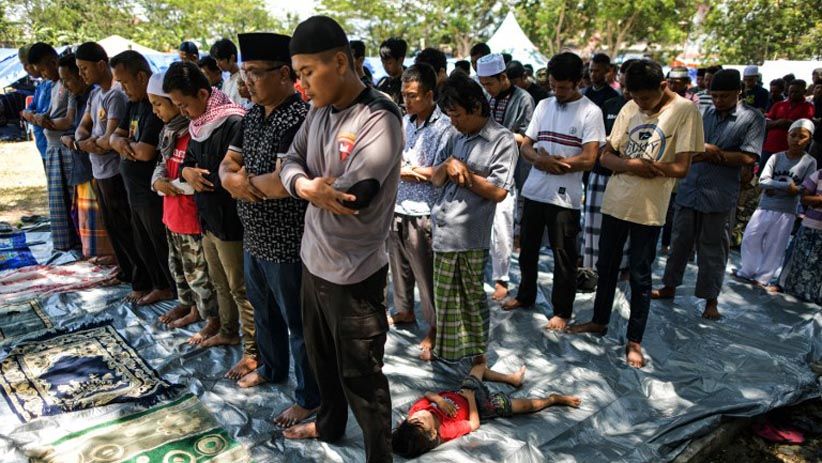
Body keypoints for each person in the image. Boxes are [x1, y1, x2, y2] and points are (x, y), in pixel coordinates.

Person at [278, 17, 402, 463]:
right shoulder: (317, 112)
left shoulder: (379, 117)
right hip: (314, 261)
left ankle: (378, 455)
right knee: (321, 360)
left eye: (308, 72)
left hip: (355, 273)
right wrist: (307, 187)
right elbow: (289, 160)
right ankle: (330, 425)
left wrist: (310, 187)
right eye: (297, 74)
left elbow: (355, 196)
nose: (302, 84)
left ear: (340, 61)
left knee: (363, 377)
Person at [567, 60, 704, 369]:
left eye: (645, 98)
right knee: (606, 264)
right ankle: (599, 320)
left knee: (641, 275)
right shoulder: (629, 108)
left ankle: (634, 340)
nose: (639, 103)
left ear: (664, 86)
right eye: (635, 96)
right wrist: (633, 166)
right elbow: (606, 156)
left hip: (649, 208)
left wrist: (646, 168)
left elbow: (682, 168)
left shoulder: (685, 112)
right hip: (616, 201)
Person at [218, 32, 321, 429]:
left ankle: (309, 398)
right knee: (263, 313)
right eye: (244, 73)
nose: (248, 82)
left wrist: (243, 184)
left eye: (256, 73)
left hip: (288, 242)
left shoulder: (297, 118)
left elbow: (283, 183)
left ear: (283, 74)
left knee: (299, 325)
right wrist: (232, 180)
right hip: (254, 236)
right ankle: (272, 368)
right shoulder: (251, 116)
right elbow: (228, 163)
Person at [164, 62, 257, 381]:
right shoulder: (197, 124)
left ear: (204, 93)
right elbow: (189, 163)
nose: (182, 111)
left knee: (240, 287)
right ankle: (228, 330)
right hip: (207, 218)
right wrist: (186, 172)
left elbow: (237, 172)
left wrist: (204, 175)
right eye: (177, 105)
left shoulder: (233, 121)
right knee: (219, 281)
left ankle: (253, 351)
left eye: (184, 104)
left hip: (230, 220)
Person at [501, 52, 604, 332]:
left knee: (563, 256)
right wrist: (539, 160)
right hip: (535, 190)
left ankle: (562, 310)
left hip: (564, 197)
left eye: (563, 87)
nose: (557, 91)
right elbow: (526, 146)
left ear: (578, 82)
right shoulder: (544, 105)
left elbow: (590, 158)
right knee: (527, 251)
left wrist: (557, 163)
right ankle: (525, 294)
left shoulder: (590, 112)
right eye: (553, 85)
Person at [652, 69, 765, 320]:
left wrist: (715, 154)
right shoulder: (701, 112)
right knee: (679, 242)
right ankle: (669, 285)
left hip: (720, 194)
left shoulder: (752, 118)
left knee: (713, 249)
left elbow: (749, 156)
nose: (718, 101)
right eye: (714, 95)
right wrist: (706, 150)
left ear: (739, 92)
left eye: (724, 96)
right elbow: (684, 144)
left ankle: (710, 300)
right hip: (690, 189)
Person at [428, 73, 517, 362]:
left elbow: (499, 192)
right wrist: (447, 164)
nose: (453, 121)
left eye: (457, 115)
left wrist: (464, 174)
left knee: (471, 300)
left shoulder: (501, 139)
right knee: (444, 300)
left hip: (470, 233)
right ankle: (448, 354)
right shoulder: (454, 135)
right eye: (449, 115)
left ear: (476, 107)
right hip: (443, 227)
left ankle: (478, 357)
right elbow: (436, 179)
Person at [386, 64, 454, 361]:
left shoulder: (445, 128)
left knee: (427, 277)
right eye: (404, 95)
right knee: (398, 270)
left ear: (429, 94)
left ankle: (435, 327)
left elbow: (438, 172)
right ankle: (404, 310)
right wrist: (409, 171)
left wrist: (406, 170)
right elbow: (392, 160)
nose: (407, 101)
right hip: (397, 205)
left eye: (413, 96)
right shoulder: (403, 122)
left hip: (424, 211)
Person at [147, 71, 219, 343]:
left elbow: (201, 176)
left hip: (190, 216)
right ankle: (189, 306)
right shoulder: (168, 132)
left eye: (159, 104)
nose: (155, 111)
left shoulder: (195, 130)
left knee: (199, 273)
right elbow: (161, 165)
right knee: (178, 267)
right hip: (171, 214)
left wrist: (172, 186)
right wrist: (157, 182)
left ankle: (211, 317)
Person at [75, 42, 148, 302]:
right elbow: (83, 129)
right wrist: (84, 142)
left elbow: (109, 141)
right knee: (114, 227)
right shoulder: (95, 95)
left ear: (100, 65)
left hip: (115, 172)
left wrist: (91, 143)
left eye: (84, 68)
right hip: (99, 170)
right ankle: (127, 271)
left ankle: (141, 277)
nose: (81, 74)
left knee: (128, 229)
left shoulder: (116, 95)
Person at [391, 363, 580, 458]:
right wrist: (472, 400)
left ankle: (512, 379)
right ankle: (553, 399)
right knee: (523, 406)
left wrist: (439, 400)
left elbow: (428, 394)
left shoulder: (416, 412)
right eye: (421, 420)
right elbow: (473, 424)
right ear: (432, 434)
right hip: (482, 407)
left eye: (413, 417)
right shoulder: (446, 430)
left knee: (478, 367)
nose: (419, 414)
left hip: (462, 392)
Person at [109, 50, 176, 306]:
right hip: (133, 188)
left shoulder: (153, 107)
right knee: (141, 239)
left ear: (141, 76)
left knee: (157, 241)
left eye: (125, 82)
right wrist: (120, 143)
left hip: (151, 189)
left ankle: (166, 286)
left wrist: (123, 145)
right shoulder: (133, 104)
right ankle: (155, 283)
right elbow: (114, 136)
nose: (123, 88)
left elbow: (145, 152)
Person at [476, 53, 534, 300]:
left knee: (502, 227)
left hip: (508, 170)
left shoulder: (524, 99)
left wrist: (502, 136)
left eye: (490, 83)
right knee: (477, 225)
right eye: (483, 83)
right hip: (480, 166)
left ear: (503, 77)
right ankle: (477, 274)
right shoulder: (486, 96)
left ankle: (501, 278)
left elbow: (528, 137)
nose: (486, 88)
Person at [736, 119, 816, 288]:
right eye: (793, 135)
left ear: (809, 140)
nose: (796, 140)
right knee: (751, 237)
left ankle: (763, 277)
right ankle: (748, 269)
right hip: (765, 205)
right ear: (787, 136)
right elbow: (763, 181)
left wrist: (778, 186)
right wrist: (786, 187)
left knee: (776, 244)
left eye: (802, 137)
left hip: (787, 210)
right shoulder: (776, 157)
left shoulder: (810, 162)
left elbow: (805, 187)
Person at [581, 59, 637, 287]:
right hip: (600, 174)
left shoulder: (648, 114)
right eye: (623, 86)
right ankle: (591, 269)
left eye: (630, 88)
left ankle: (622, 268)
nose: (626, 92)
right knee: (593, 225)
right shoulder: (610, 105)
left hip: (629, 178)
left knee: (625, 227)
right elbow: (598, 143)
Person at [57, 54, 114, 260]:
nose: (65, 85)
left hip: (100, 168)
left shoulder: (107, 95)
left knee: (107, 222)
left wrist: (77, 141)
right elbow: (81, 129)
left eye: (68, 79)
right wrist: (77, 141)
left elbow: (103, 139)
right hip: (84, 165)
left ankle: (112, 257)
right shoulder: (87, 97)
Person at [26, 42, 81, 254]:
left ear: (53, 62)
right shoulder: (52, 86)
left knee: (70, 199)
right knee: (58, 199)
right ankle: (66, 243)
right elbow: (49, 114)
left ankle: (76, 241)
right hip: (53, 148)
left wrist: (41, 120)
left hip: (66, 149)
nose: (41, 74)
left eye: (42, 69)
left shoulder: (68, 86)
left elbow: (67, 121)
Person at [781, 165, 822, 305]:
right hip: (810, 225)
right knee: (800, 259)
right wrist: (818, 200)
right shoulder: (820, 174)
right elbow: (804, 198)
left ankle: (813, 295)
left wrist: (817, 199)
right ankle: (792, 289)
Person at [762, 79, 815, 170]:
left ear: (804, 92)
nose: (793, 94)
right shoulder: (779, 105)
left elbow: (804, 128)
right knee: (762, 175)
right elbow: (766, 123)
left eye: (796, 92)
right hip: (770, 146)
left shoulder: (808, 107)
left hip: (790, 151)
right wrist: (779, 122)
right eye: (791, 92)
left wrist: (787, 123)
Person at [19, 45, 52, 163]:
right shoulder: (41, 85)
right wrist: (28, 113)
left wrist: (31, 115)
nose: (25, 68)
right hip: (44, 148)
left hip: (53, 148)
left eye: (27, 64)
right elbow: (29, 109)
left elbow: (44, 116)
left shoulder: (52, 84)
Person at [210, 38, 248, 106]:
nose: (217, 64)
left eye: (220, 59)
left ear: (232, 58)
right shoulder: (226, 82)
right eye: (216, 60)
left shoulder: (244, 79)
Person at [376, 37, 407, 108]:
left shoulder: (409, 82)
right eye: (383, 62)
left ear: (400, 60)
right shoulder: (383, 82)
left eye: (389, 63)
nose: (385, 66)